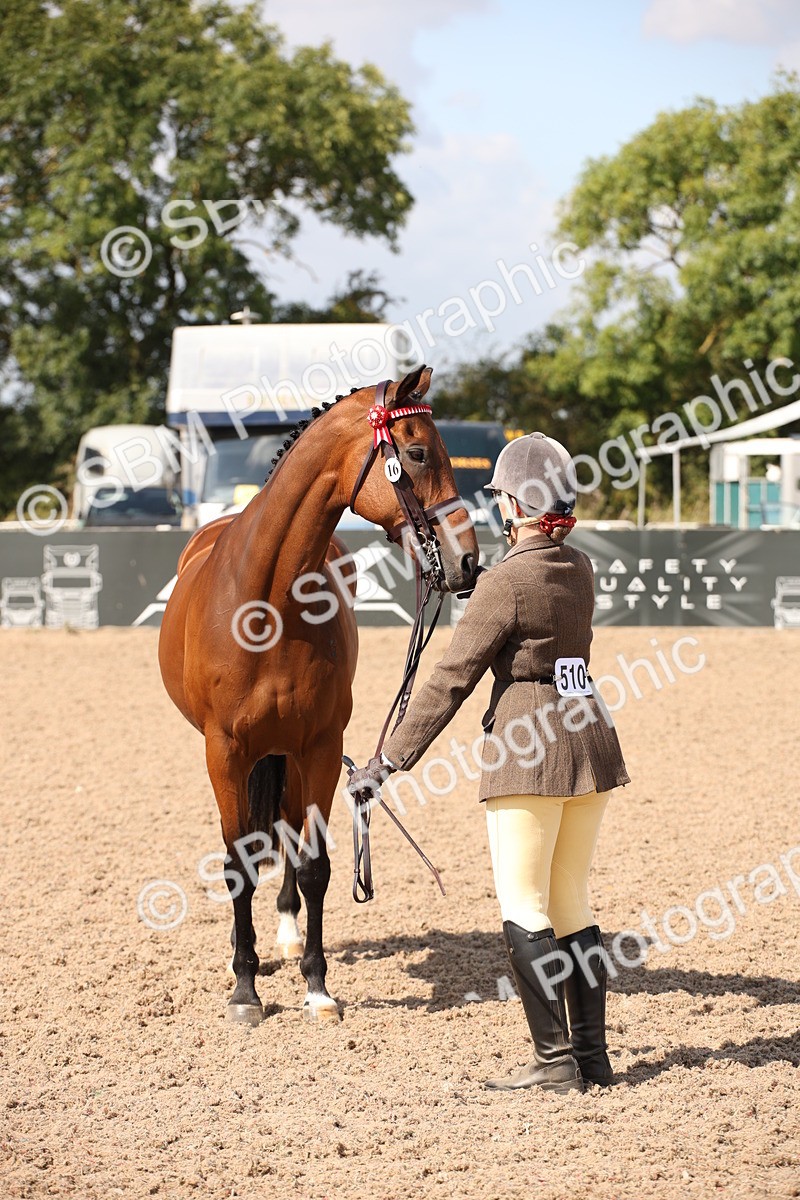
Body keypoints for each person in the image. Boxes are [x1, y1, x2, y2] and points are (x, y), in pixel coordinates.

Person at [348, 432, 630, 1094]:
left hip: (530, 749)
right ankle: (593, 1057)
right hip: (591, 739)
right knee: (572, 903)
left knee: (524, 901)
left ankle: (555, 1060)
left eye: (502, 498)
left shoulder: (507, 580)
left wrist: (386, 762)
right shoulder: (579, 566)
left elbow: (451, 677)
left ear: (512, 504)